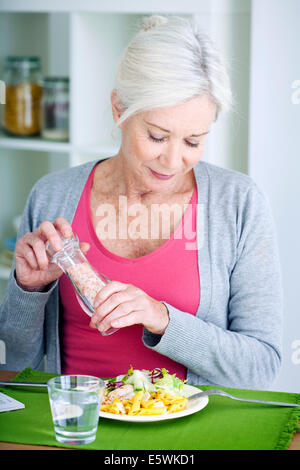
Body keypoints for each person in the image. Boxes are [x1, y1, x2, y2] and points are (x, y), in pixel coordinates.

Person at [0, 15, 282, 389]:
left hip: (193, 437)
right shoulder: (53, 194)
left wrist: (163, 318)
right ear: (120, 110)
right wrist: (28, 290)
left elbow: (261, 366)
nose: (172, 160)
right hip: (77, 430)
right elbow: (17, 360)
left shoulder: (239, 203)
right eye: (156, 135)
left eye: (193, 141)